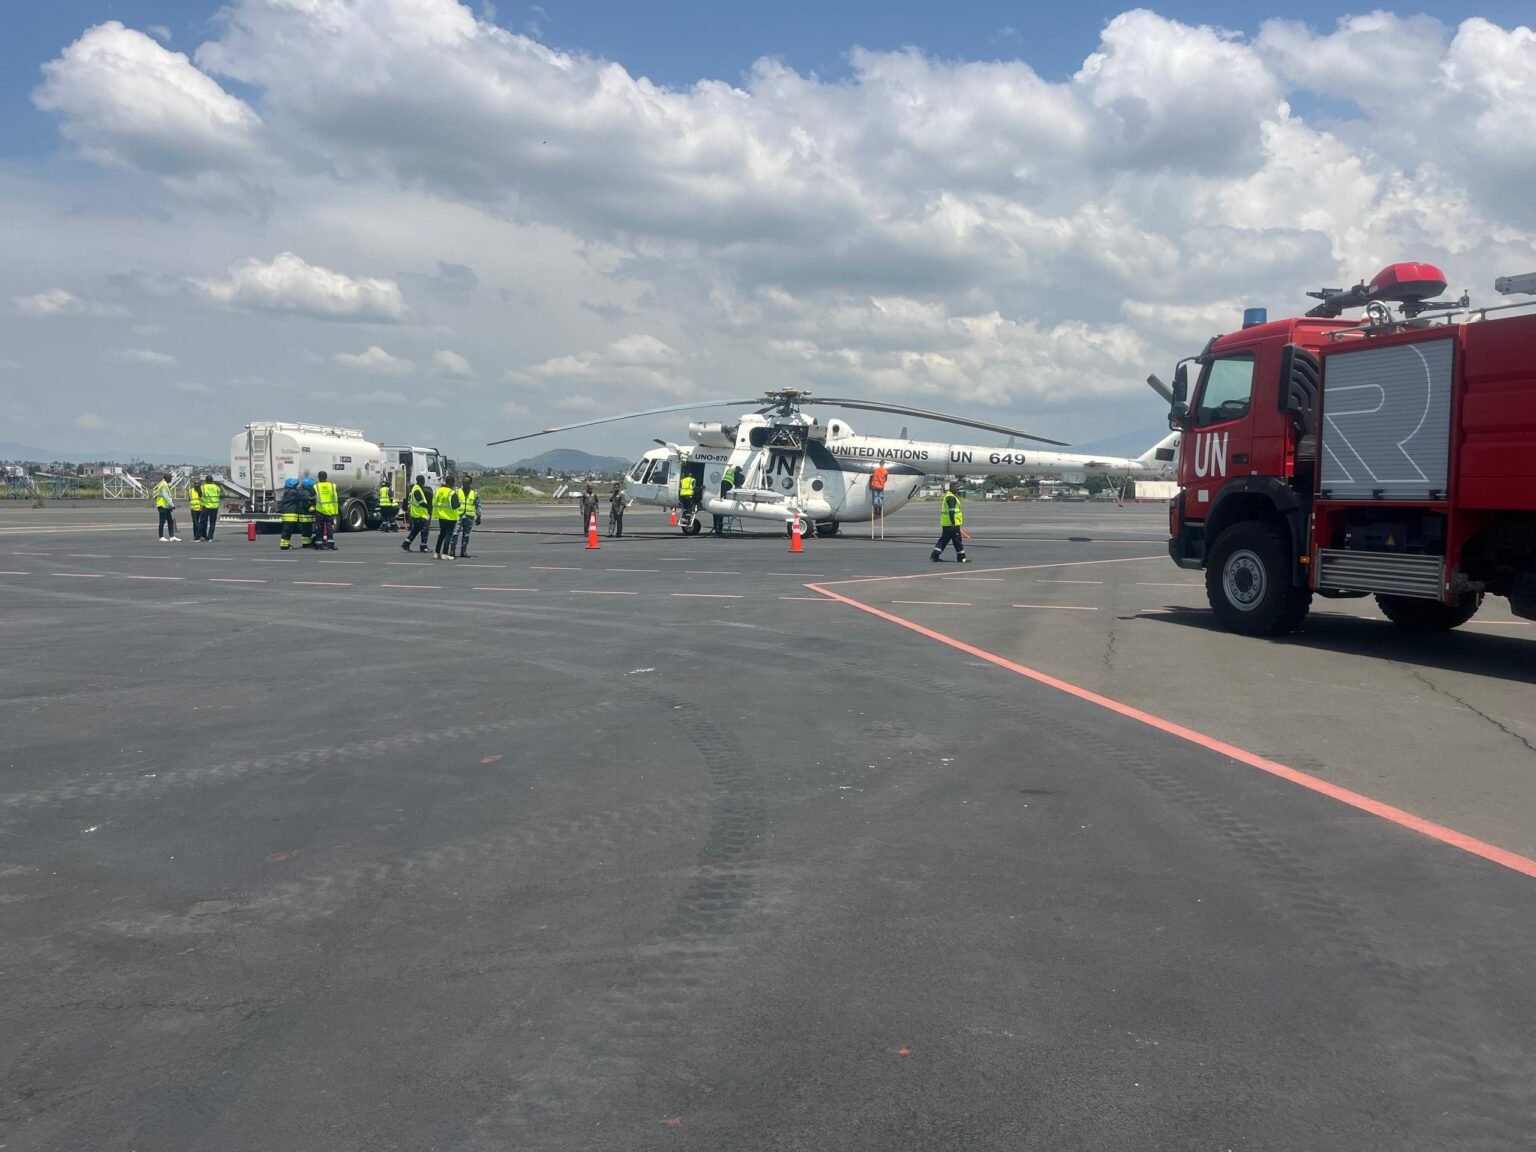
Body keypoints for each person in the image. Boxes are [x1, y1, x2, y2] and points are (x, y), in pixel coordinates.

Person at [931, 481, 969, 563]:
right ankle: (961, 557)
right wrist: (953, 523)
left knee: (944, 540)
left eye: (959, 487)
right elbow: (951, 511)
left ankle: (934, 555)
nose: (958, 489)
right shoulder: (951, 497)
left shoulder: (948, 496)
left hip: (946, 523)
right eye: (956, 487)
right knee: (957, 540)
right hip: (952, 524)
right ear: (951, 487)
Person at [432, 478, 462, 559]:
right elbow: (455, 505)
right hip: (450, 517)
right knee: (448, 535)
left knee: (441, 534)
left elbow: (434, 501)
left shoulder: (438, 490)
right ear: (452, 483)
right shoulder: (451, 493)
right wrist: (459, 504)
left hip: (441, 515)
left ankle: (437, 552)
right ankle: (445, 553)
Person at [403, 474, 431, 553]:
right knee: (424, 530)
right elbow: (421, 502)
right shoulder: (417, 490)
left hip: (416, 513)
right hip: (419, 514)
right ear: (422, 481)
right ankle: (423, 546)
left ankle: (406, 543)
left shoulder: (416, 488)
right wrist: (428, 506)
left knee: (416, 530)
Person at [312, 470, 340, 550]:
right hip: (329, 510)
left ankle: (318, 545)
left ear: (319, 478)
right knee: (329, 527)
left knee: (319, 528)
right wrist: (335, 512)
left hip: (319, 510)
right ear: (326, 477)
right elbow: (335, 499)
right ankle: (330, 544)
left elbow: (312, 498)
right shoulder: (332, 486)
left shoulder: (316, 486)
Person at [456, 474, 480, 558]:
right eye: (464, 482)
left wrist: (479, 516)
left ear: (470, 483)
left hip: (469, 516)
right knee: (455, 533)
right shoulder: (457, 491)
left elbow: (478, 505)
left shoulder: (474, 493)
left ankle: (464, 551)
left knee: (466, 535)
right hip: (458, 515)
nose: (465, 484)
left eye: (467, 482)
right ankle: (452, 550)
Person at [278, 477, 303, 549]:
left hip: (288, 514)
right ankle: (284, 545)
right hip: (290, 514)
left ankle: (285, 544)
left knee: (287, 530)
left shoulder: (287, 491)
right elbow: (301, 494)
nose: (296, 486)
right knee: (287, 530)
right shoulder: (292, 492)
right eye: (295, 485)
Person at [154, 472, 179, 541]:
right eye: (170, 477)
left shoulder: (166, 485)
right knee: (162, 521)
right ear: (166, 478)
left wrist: (170, 505)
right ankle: (161, 536)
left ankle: (172, 536)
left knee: (170, 521)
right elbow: (166, 496)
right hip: (162, 505)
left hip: (166, 506)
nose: (171, 478)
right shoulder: (163, 485)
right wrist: (172, 505)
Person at [200, 475, 221, 541]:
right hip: (214, 507)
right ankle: (210, 537)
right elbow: (218, 495)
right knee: (212, 523)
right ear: (212, 480)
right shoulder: (217, 487)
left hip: (206, 506)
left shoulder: (203, 487)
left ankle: (204, 535)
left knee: (203, 522)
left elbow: (200, 495)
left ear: (206, 481)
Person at [299, 477, 316, 548]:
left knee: (306, 531)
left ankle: (306, 543)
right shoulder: (306, 494)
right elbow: (309, 507)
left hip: (304, 516)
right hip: (306, 516)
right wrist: (315, 508)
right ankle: (306, 544)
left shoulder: (302, 491)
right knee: (307, 531)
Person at [186, 476, 205, 541]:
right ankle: (196, 536)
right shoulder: (190, 491)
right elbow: (189, 499)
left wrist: (201, 507)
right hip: (194, 509)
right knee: (195, 523)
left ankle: (198, 536)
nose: (196, 485)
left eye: (198, 484)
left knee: (198, 523)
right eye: (195, 484)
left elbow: (203, 500)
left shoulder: (202, 491)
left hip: (200, 508)